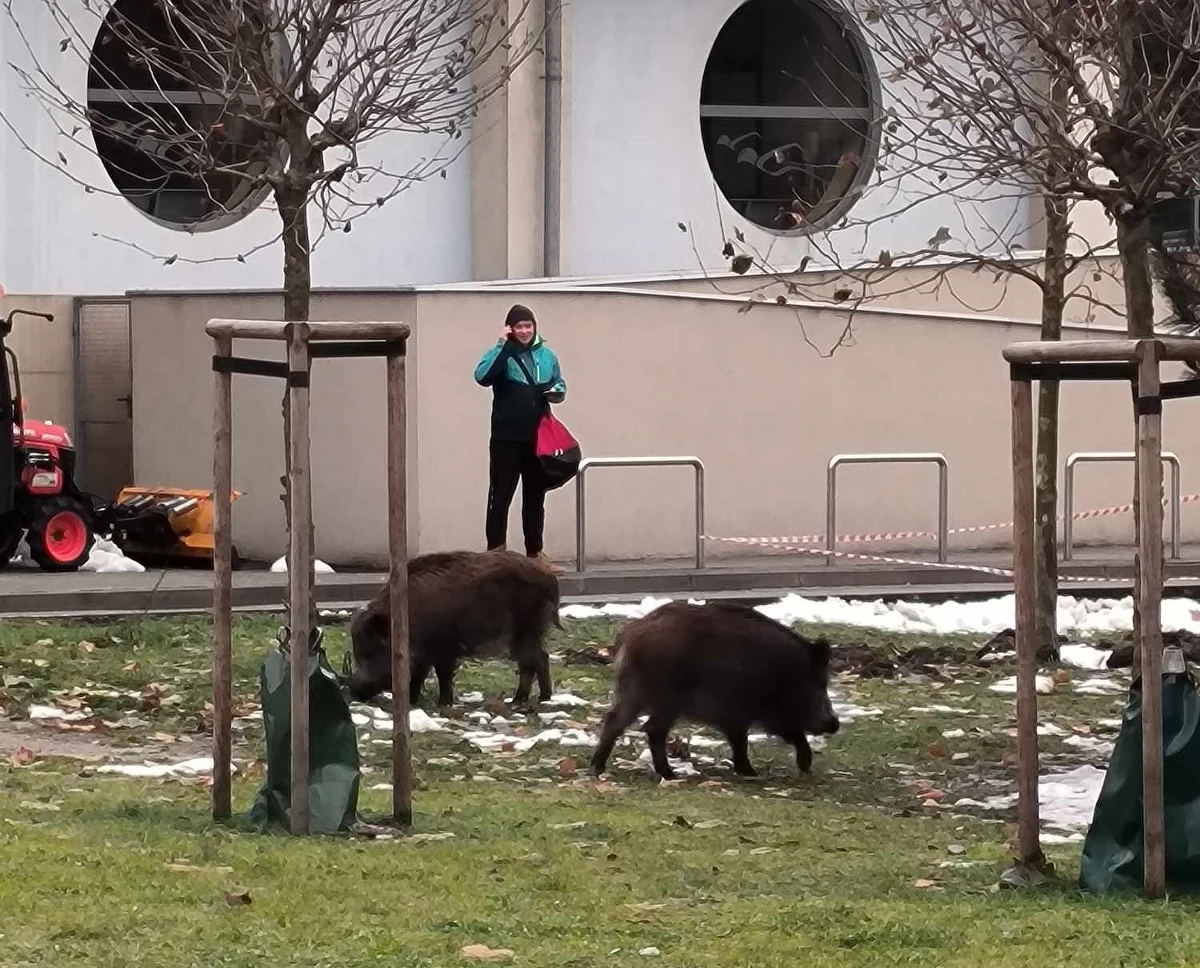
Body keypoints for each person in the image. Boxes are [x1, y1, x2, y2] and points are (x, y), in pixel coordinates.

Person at [474, 304, 567, 571]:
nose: (524, 331)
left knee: (535, 496)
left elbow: (560, 383)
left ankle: (535, 554)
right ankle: (495, 555)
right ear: (510, 329)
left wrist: (556, 391)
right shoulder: (503, 353)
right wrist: (501, 344)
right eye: (519, 326)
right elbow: (482, 376)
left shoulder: (546, 355)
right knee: (500, 496)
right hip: (506, 438)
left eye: (528, 325)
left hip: (536, 438)